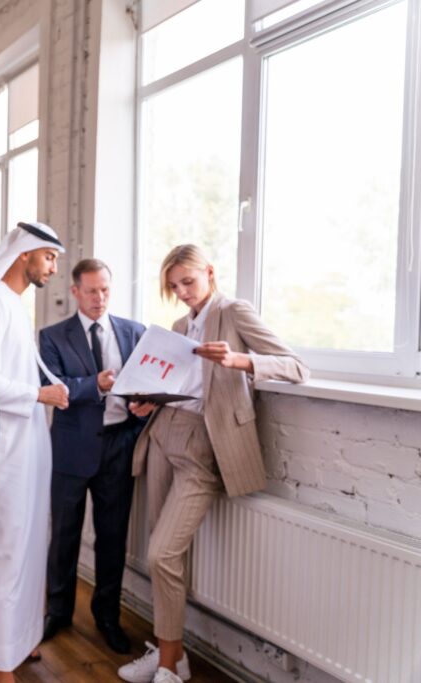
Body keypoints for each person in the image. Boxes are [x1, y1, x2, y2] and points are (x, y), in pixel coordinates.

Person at [118, 244, 308, 683]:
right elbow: (179, 383)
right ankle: (172, 654)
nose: (182, 293)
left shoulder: (235, 312)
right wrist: (149, 402)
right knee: (159, 554)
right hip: (165, 435)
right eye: (174, 286)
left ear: (210, 272)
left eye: (188, 281)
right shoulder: (180, 325)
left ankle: (170, 666)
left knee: (162, 553)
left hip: (205, 448)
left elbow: (297, 367)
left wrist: (238, 360)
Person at [0, 222, 68, 681]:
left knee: (25, 547)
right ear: (25, 254)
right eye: (49, 257)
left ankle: (2, 641)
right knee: (2, 550)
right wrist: (40, 394)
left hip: (25, 451)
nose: (52, 267)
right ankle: (0, 662)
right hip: (1, 454)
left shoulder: (12, 306)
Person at [39, 258, 146, 654]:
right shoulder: (52, 336)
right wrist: (94, 386)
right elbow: (50, 385)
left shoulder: (135, 332)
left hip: (121, 445)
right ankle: (58, 612)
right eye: (91, 291)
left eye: (105, 290)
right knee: (64, 535)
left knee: (113, 538)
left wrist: (145, 402)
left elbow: (151, 381)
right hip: (71, 448)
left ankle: (107, 617)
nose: (99, 298)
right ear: (75, 292)